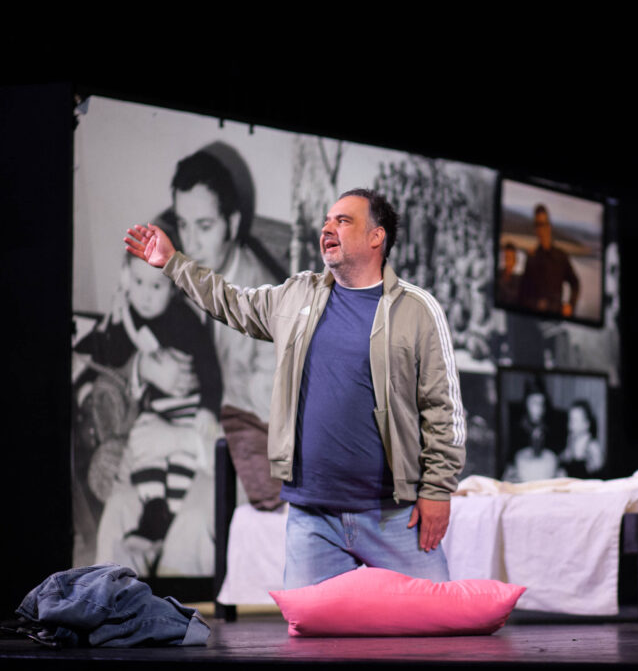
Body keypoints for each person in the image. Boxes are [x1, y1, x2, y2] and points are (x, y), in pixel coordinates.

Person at [124, 188, 466, 588]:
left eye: (343, 221)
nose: (328, 228)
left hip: (392, 513)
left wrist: (437, 491)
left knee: (436, 621)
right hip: (312, 517)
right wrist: (173, 263)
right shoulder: (297, 295)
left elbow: (443, 409)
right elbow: (229, 301)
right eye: (327, 220)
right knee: (307, 629)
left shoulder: (417, 309)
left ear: (377, 236)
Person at [96, 145, 283, 576]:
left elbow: (268, 432)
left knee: (189, 533)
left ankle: (178, 618)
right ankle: (102, 615)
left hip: (231, 459)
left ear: (231, 224)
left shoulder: (270, 307)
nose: (191, 242)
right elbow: (114, 339)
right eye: (183, 224)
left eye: (204, 226)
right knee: (118, 514)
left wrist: (180, 441)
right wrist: (144, 368)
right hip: (168, 433)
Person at [76, 253, 223, 545]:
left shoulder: (183, 319)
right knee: (144, 449)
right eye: (138, 282)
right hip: (157, 410)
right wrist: (119, 312)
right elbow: (113, 353)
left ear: (173, 287)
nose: (145, 295)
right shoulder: (130, 313)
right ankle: (154, 510)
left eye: (156, 286)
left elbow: (209, 366)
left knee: (181, 460)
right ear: (127, 277)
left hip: (188, 408)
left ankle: (171, 514)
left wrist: (208, 408)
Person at [519, 204, 580, 317]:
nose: (541, 229)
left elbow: (575, 283)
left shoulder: (561, 256)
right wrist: (535, 305)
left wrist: (570, 305)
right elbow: (523, 294)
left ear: (549, 226)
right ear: (535, 229)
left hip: (557, 316)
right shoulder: (531, 258)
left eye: (544, 224)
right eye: (537, 225)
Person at [557, 400, 604, 478]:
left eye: (575, 420)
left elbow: (598, 468)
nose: (570, 425)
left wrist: (591, 462)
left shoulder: (592, 446)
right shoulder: (571, 442)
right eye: (570, 420)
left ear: (586, 424)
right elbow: (563, 459)